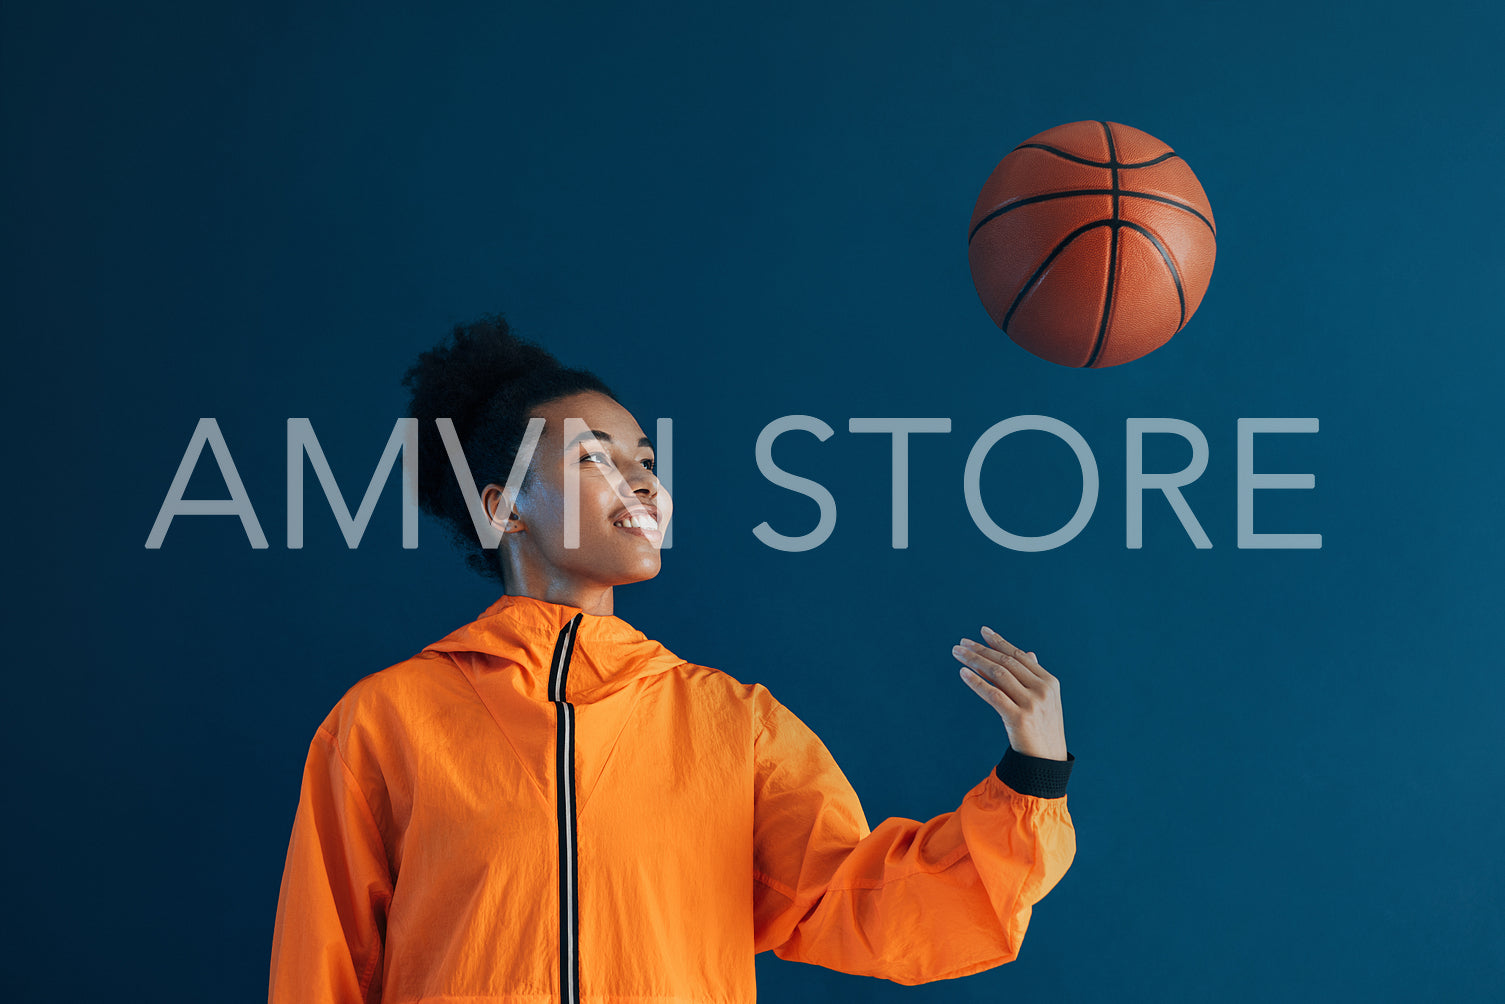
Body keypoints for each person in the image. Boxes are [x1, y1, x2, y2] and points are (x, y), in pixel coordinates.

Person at [268, 313, 1077, 1004]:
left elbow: (870, 906)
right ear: (503, 507)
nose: (641, 483)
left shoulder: (736, 728)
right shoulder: (385, 721)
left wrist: (1031, 781)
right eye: (593, 459)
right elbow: (322, 968)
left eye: (646, 462)